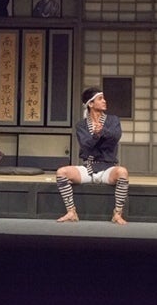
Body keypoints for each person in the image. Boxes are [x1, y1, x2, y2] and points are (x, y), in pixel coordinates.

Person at [55, 87, 130, 224]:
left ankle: (117, 213)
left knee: (122, 172)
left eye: (104, 98)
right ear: (90, 104)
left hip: (108, 168)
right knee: (62, 172)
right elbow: (85, 146)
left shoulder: (113, 120)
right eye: (100, 99)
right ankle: (71, 212)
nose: (104, 101)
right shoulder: (81, 125)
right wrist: (95, 135)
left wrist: (102, 131)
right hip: (88, 168)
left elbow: (115, 137)